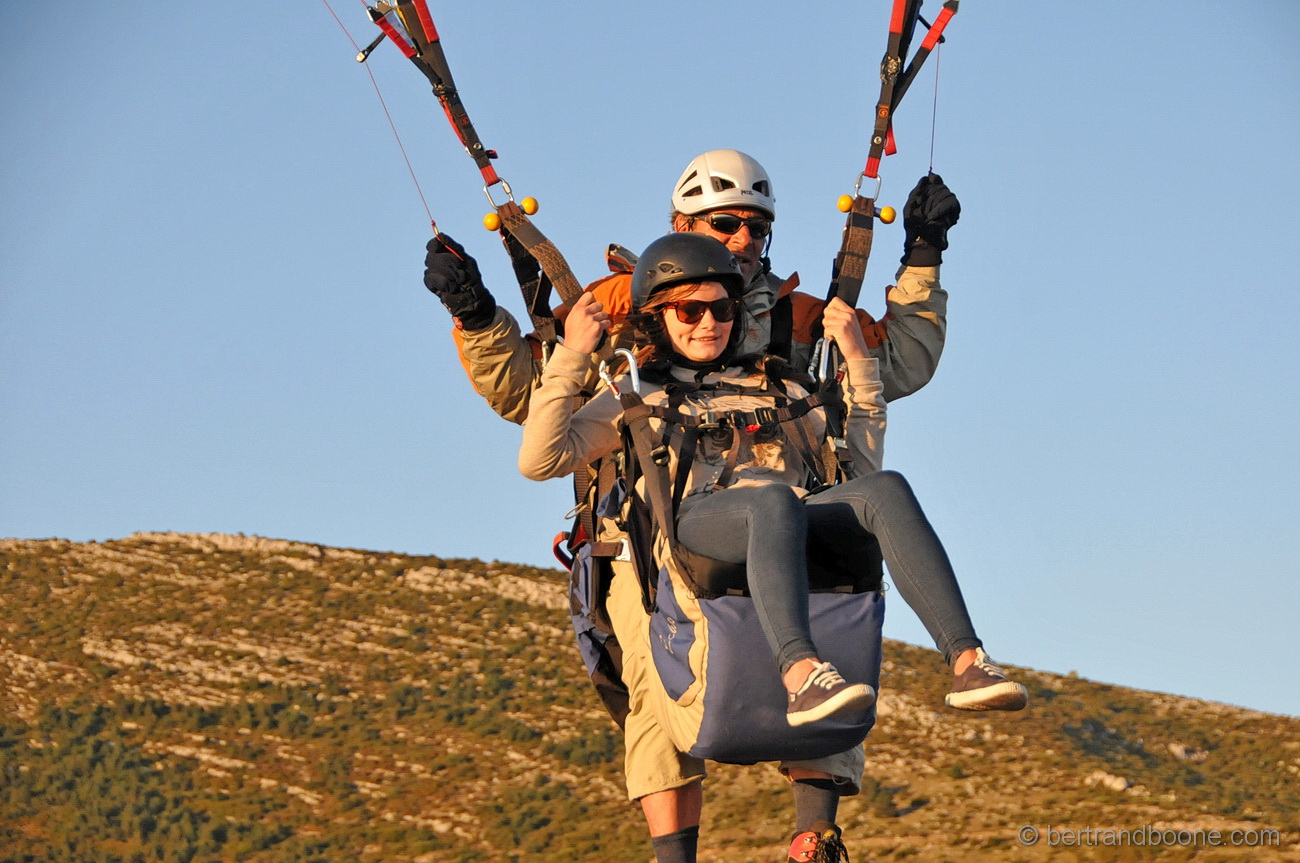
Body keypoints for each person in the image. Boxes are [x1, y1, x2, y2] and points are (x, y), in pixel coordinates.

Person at [518, 233, 1027, 863]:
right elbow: (540, 459)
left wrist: (859, 363)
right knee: (772, 499)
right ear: (657, 316)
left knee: (885, 490)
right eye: (689, 311)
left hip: (783, 529)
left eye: (723, 310)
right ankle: (798, 670)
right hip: (698, 533)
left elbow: (859, 464)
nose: (709, 323)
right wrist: (572, 356)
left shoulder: (779, 390)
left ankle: (967, 660)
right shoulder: (638, 395)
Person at [423, 149, 950, 427]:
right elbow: (526, 396)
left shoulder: (803, 319)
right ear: (682, 225)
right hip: (651, 529)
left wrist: (924, 254)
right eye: (724, 223)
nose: (743, 239)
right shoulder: (615, 306)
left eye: (757, 227)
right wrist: (477, 317)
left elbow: (902, 365)